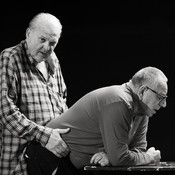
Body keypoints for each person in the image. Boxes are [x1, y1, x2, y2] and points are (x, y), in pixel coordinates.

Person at [25, 66, 168, 175]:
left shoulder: (142, 111)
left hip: (71, 165)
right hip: (49, 158)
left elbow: (137, 149)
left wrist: (109, 155)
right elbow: (122, 158)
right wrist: (148, 158)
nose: (164, 104)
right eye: (160, 97)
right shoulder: (119, 101)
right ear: (143, 91)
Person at [0, 12, 70, 175]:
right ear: (28, 34)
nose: (47, 48)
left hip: (50, 162)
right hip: (20, 164)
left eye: (53, 43)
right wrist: (45, 136)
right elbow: (6, 112)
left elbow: (62, 102)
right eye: (42, 40)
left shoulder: (53, 61)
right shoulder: (10, 58)